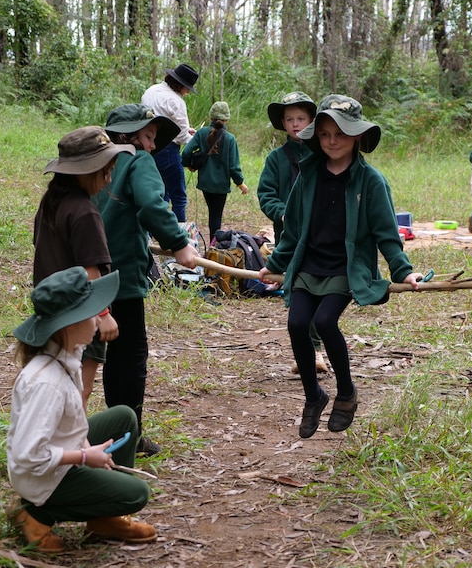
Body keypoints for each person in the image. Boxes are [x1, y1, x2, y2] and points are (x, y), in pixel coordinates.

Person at [257, 94, 422, 439]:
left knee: (325, 320)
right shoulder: (308, 175)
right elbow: (294, 229)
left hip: (345, 268)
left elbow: (386, 233)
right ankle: (314, 396)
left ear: (357, 137)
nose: (332, 142)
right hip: (309, 264)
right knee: (297, 323)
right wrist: (275, 265)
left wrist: (402, 270)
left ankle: (346, 393)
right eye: (326, 134)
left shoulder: (370, 181)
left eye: (341, 134)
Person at [7, 267, 157, 554]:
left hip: (58, 458)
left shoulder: (67, 354)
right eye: (92, 313)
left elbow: (70, 421)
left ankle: (105, 519)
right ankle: (37, 515)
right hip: (42, 478)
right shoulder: (47, 383)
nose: (99, 317)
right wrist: (85, 456)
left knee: (124, 418)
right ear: (69, 324)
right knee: (137, 494)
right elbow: (29, 455)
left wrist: (85, 444)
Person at [97, 103, 199, 456]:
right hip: (120, 276)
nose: (153, 146)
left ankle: (110, 431)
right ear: (131, 136)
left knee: (104, 356)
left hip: (85, 273)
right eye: (150, 137)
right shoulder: (139, 162)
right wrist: (179, 244)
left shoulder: (92, 165)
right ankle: (128, 437)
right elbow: (152, 206)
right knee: (130, 355)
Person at [34, 126, 134, 413]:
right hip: (80, 314)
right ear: (85, 171)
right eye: (105, 172)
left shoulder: (51, 203)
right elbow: (92, 270)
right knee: (81, 388)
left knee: (57, 379)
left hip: (51, 308)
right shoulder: (85, 213)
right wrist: (102, 315)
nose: (109, 179)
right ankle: (73, 450)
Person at [257, 91, 327, 374]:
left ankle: (316, 350)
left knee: (319, 291)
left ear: (311, 121)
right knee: (298, 292)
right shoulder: (276, 158)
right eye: (290, 119)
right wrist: (284, 212)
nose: (296, 124)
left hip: (323, 236)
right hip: (289, 238)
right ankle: (310, 352)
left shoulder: (323, 153)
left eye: (301, 118)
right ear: (283, 124)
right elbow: (266, 194)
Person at [141, 63, 200, 222]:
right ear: (180, 85)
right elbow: (181, 137)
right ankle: (180, 235)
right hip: (167, 150)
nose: (187, 92)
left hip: (146, 147)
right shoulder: (176, 101)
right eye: (187, 88)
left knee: (158, 194)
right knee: (178, 195)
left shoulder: (150, 91)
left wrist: (186, 131)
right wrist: (196, 138)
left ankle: (154, 234)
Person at [181, 101, 247, 238]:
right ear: (226, 119)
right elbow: (234, 167)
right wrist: (240, 184)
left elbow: (186, 152)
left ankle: (212, 244)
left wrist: (189, 165)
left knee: (212, 212)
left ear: (210, 117)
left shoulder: (201, 133)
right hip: (221, 186)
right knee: (216, 216)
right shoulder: (230, 139)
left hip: (205, 183)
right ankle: (213, 247)